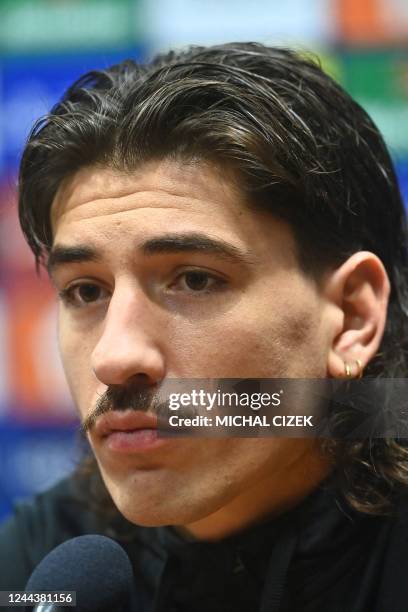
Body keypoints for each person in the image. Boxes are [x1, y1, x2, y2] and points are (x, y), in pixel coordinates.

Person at [1, 42, 408, 611]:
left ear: (353, 317)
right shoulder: (45, 561)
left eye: (194, 280)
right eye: (85, 291)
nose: (114, 358)